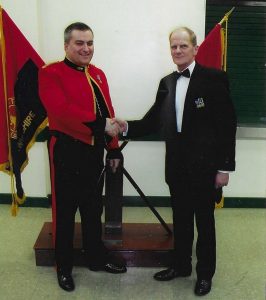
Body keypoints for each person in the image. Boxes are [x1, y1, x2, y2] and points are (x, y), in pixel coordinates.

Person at [115, 26, 236, 296]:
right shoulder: (166, 82)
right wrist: (126, 128)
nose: (178, 51)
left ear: (195, 48)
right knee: (180, 220)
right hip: (177, 166)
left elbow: (227, 125)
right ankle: (180, 266)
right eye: (173, 47)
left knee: (204, 222)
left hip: (206, 168)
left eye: (183, 46)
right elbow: (152, 121)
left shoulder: (214, 79)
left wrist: (224, 168)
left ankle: (205, 274)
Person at [39, 22, 126, 292]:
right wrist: (102, 126)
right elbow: (61, 111)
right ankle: (63, 267)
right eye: (79, 43)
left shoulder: (98, 74)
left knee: (92, 209)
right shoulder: (50, 73)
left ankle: (95, 258)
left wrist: (112, 148)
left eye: (89, 43)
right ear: (66, 45)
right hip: (65, 151)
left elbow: (107, 110)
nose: (86, 48)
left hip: (92, 151)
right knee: (64, 212)